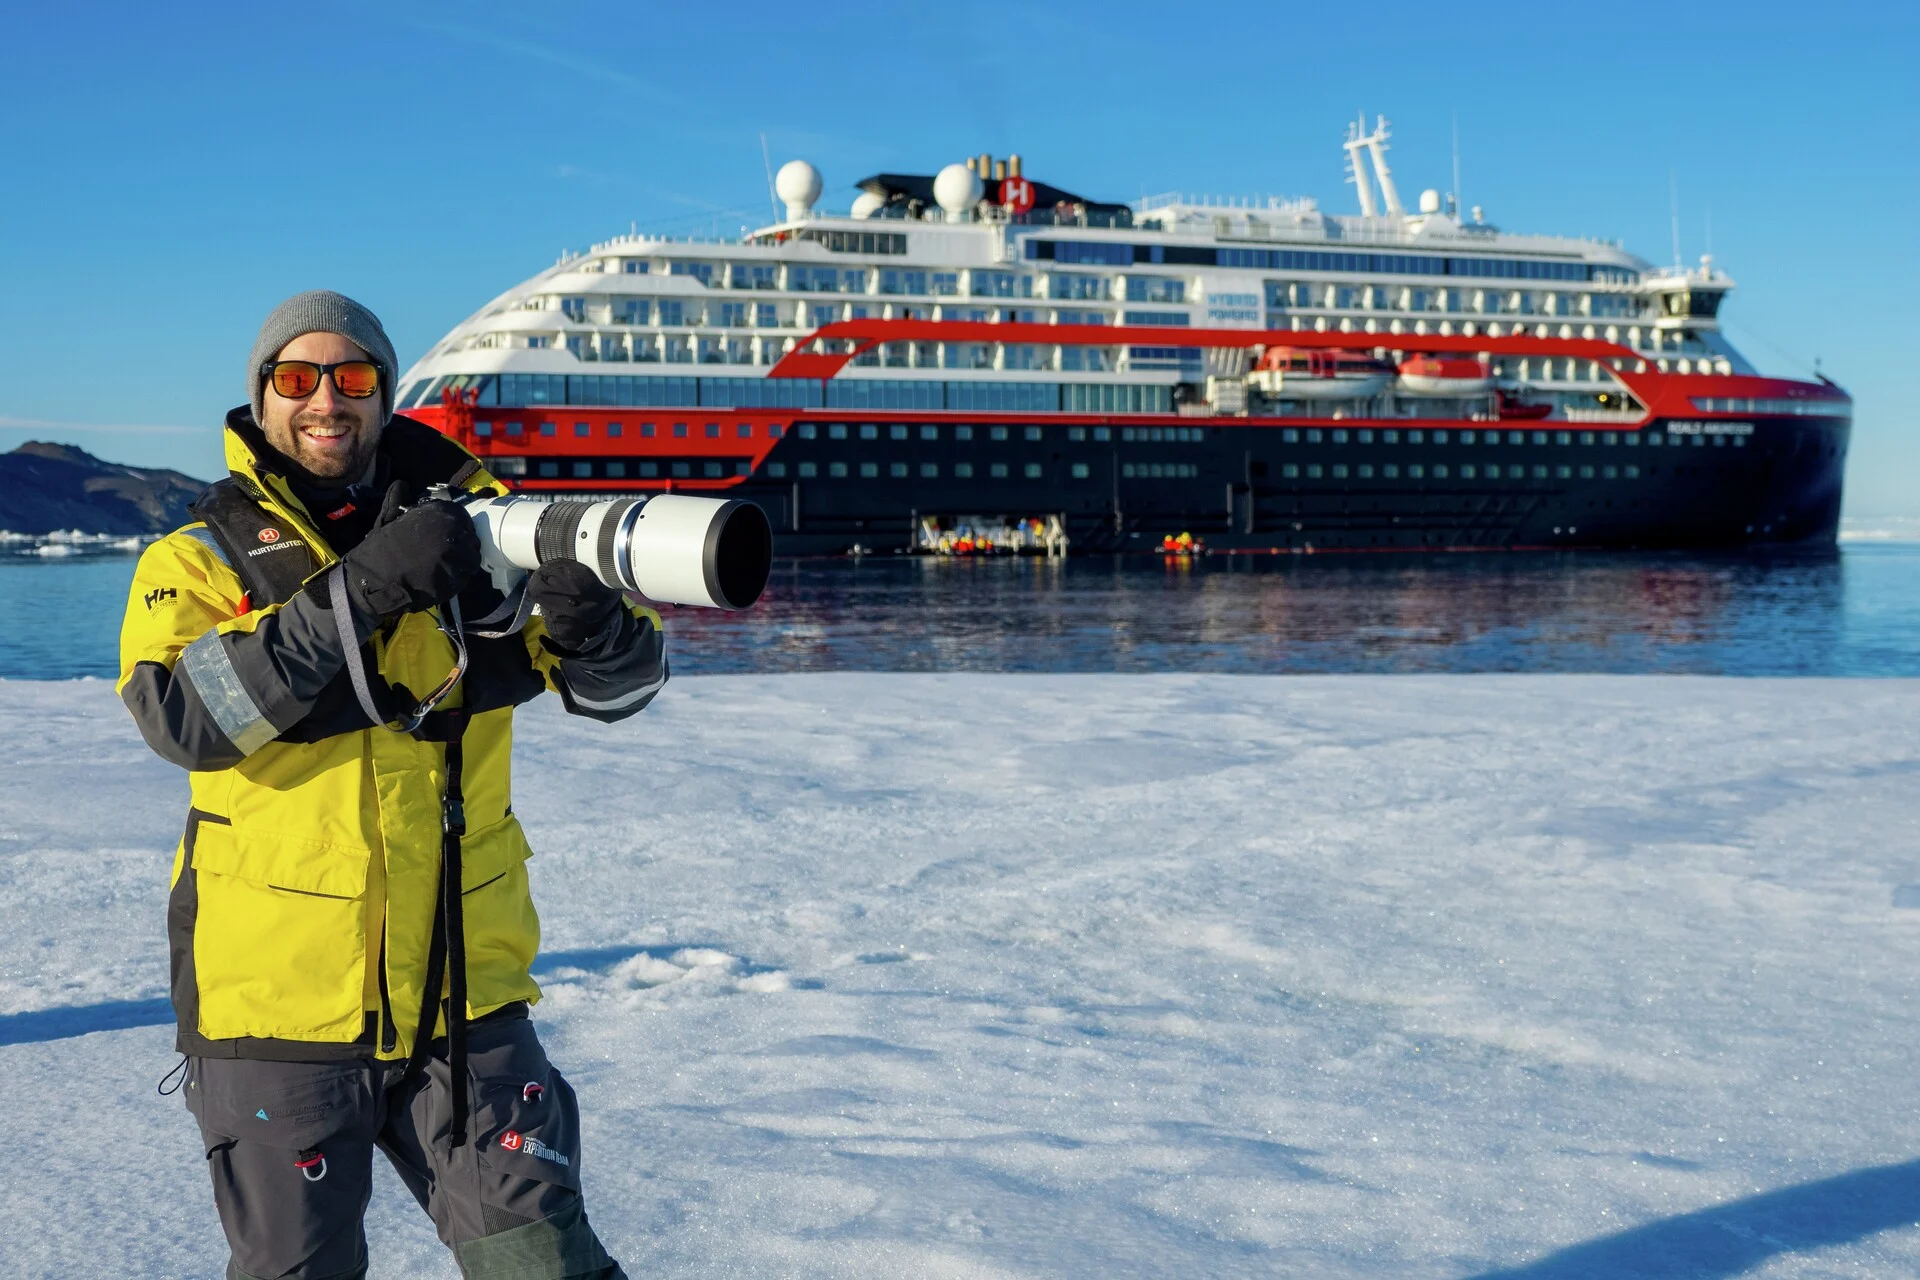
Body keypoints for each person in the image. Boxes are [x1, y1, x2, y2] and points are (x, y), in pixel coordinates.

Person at [118, 291, 664, 1279]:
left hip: (467, 1000)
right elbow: (187, 715)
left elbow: (622, 690)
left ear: (384, 392)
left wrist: (603, 628)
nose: (325, 398)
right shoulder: (194, 559)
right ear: (262, 399)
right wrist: (363, 589)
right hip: (279, 1011)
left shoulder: (483, 538)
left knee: (546, 1263)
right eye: (297, 377)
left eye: (353, 376)